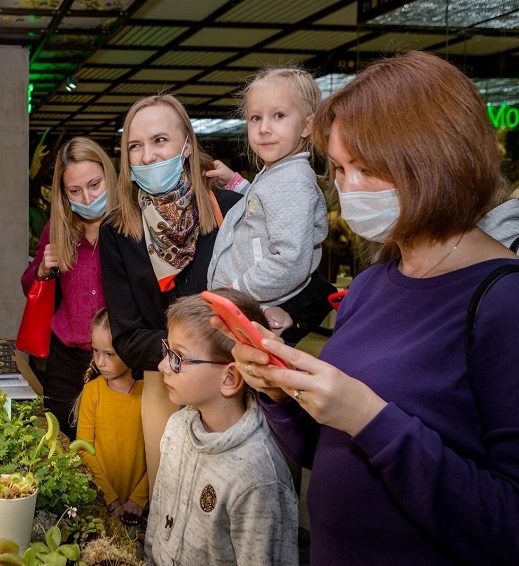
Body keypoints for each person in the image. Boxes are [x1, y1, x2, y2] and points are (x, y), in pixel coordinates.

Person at [230, 51, 519, 564]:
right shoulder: (371, 287)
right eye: (340, 169)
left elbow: (506, 524)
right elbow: (328, 452)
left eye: (367, 170)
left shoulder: (502, 301)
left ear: (437, 160)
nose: (347, 190)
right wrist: (280, 393)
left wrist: (367, 416)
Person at [99, 94, 244, 494]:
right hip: (164, 385)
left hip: (233, 383)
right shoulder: (117, 231)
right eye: (135, 145)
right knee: (168, 510)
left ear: (187, 146)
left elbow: (296, 284)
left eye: (160, 140)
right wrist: (185, 357)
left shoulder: (231, 210)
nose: (146, 156)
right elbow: (127, 335)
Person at [145, 289, 298, 566]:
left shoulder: (258, 476)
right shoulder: (177, 428)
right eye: (167, 351)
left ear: (230, 378)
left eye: (178, 357)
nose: (162, 365)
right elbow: (158, 516)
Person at [206, 68, 330, 344]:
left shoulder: (292, 181)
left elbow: (290, 259)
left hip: (253, 298)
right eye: (255, 118)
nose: (264, 128)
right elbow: (265, 211)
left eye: (279, 116)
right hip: (254, 299)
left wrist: (237, 289)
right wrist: (237, 184)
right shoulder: (278, 173)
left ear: (307, 126)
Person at [22, 137, 116, 438]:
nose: (87, 199)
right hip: (65, 360)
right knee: (60, 443)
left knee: (108, 447)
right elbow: (28, 285)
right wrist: (43, 269)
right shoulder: (58, 228)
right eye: (75, 191)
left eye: (94, 185)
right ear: (63, 193)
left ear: (109, 177)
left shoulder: (128, 226)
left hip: (118, 359)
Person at [73, 308, 147, 524]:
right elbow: (83, 448)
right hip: (100, 504)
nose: (99, 362)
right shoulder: (92, 391)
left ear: (128, 348)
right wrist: (109, 497)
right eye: (95, 351)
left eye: (109, 354)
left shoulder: (148, 392)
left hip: (139, 510)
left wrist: (139, 499)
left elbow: (161, 453)